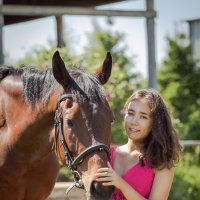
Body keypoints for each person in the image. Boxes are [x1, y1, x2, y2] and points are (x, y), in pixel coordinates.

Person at [95, 88, 182, 200]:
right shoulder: (106, 154)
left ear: (155, 123)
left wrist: (122, 185)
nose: (134, 121)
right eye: (131, 113)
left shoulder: (162, 161)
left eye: (143, 117)